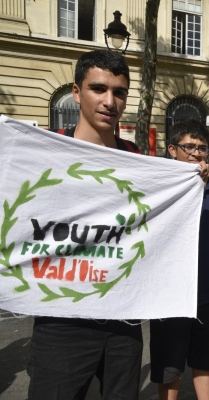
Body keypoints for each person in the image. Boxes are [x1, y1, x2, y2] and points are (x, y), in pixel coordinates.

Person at [27, 50, 143, 400]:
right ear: (76, 92)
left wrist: (195, 178)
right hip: (61, 320)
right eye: (98, 89)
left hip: (124, 317)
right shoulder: (42, 151)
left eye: (119, 92)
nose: (110, 101)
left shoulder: (137, 157)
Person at [149, 120, 209, 400]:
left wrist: (204, 184)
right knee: (169, 369)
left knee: (204, 363)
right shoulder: (157, 186)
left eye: (202, 148)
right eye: (189, 147)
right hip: (168, 294)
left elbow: (207, 229)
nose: (196, 153)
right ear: (172, 149)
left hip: (207, 292)